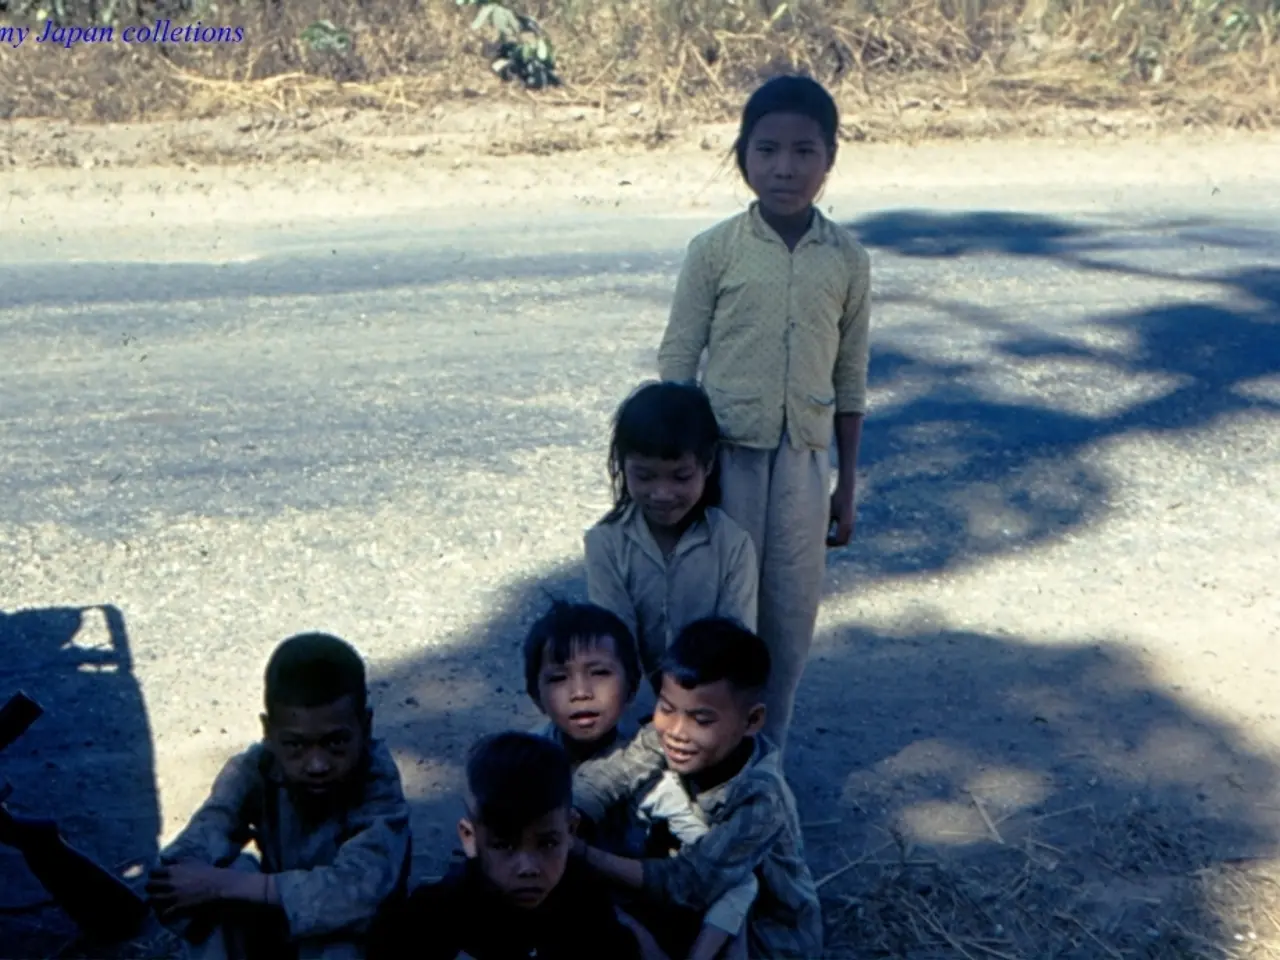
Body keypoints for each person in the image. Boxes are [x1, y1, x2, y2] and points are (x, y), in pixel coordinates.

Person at [656, 74, 873, 749]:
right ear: (742, 155)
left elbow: (850, 377)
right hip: (726, 460)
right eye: (768, 149)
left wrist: (846, 485)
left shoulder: (847, 258)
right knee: (720, 606)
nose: (785, 167)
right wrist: (680, 472)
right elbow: (677, 361)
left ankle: (763, 753)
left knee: (790, 610)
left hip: (805, 463)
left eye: (805, 151)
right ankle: (698, 749)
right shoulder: (714, 251)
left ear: (830, 160)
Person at [147, 632, 412, 960]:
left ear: (366, 726)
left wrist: (225, 884)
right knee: (224, 888)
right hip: (281, 927)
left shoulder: (377, 781)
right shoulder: (255, 770)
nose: (317, 764)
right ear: (268, 732)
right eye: (295, 745)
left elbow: (358, 893)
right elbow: (193, 850)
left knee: (337, 945)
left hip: (361, 940)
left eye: (335, 743)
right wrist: (197, 879)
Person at [570, 618, 822, 960]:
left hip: (767, 934)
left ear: (753, 721)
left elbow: (690, 883)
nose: (676, 731)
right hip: (687, 904)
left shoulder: (762, 800)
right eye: (666, 708)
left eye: (701, 720)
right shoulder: (668, 739)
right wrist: (571, 811)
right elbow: (612, 774)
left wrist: (583, 854)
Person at [523, 599, 759, 950]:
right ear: (536, 697)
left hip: (625, 908)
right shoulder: (523, 764)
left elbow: (717, 869)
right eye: (558, 678)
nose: (580, 692)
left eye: (600, 673)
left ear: (633, 688)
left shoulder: (650, 770)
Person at [368, 732, 665, 960]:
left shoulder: (585, 906)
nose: (528, 867)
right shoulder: (434, 917)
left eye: (547, 843)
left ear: (570, 830)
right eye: (504, 846)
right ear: (470, 838)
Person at [585, 380, 758, 680]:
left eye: (681, 476)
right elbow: (615, 648)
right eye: (645, 476)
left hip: (706, 707)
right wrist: (645, 719)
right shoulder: (605, 543)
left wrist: (687, 715)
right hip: (627, 707)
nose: (662, 493)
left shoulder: (732, 545)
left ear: (708, 464)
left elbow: (735, 648)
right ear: (622, 466)